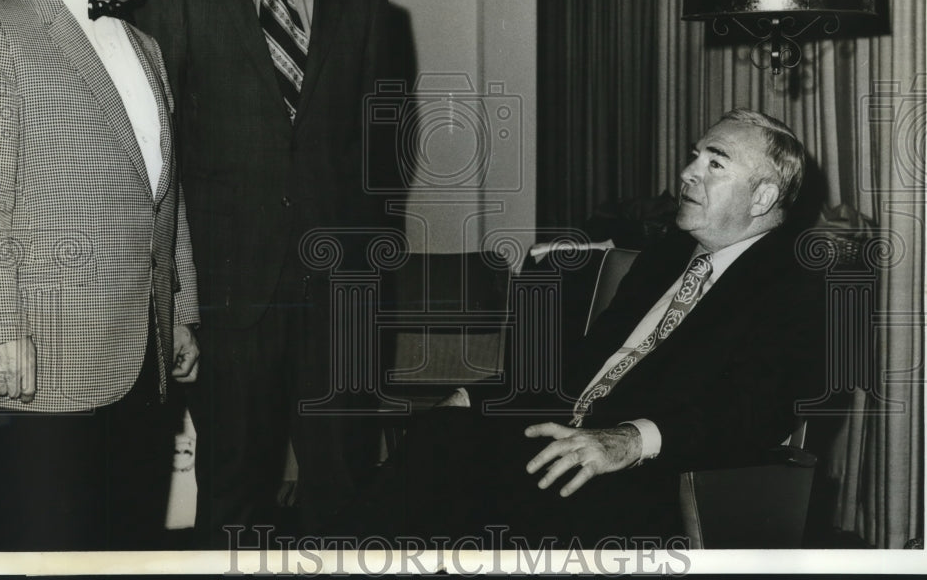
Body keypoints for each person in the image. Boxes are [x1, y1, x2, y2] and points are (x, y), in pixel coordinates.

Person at [342, 109, 828, 547]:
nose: (687, 173)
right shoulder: (666, 256)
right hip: (569, 440)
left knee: (460, 486)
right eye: (694, 156)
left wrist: (630, 441)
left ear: (763, 196)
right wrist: (481, 397)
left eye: (714, 164)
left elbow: (755, 413)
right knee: (440, 435)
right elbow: (586, 365)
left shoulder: (795, 287)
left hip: (658, 475)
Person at [135, 0, 392, 546]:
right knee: (233, 495)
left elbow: (376, 156)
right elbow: (157, 149)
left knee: (344, 494)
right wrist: (175, 292)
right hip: (227, 288)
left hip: (339, 291)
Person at [0, 0, 200, 551]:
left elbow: (166, 188)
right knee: (42, 549)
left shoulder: (146, 46)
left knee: (127, 546)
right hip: (44, 361)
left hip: (145, 359)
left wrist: (183, 311)